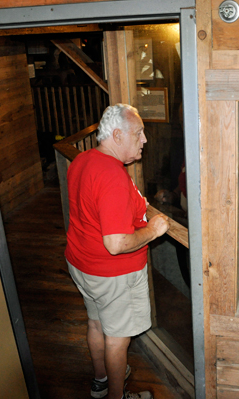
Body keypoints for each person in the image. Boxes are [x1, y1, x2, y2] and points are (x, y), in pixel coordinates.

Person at [65, 104, 170, 399]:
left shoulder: (85, 159)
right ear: (117, 135)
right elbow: (116, 243)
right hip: (113, 275)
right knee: (117, 340)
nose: (145, 140)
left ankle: (100, 380)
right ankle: (116, 396)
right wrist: (154, 230)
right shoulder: (111, 176)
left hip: (83, 264)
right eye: (139, 133)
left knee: (97, 323)